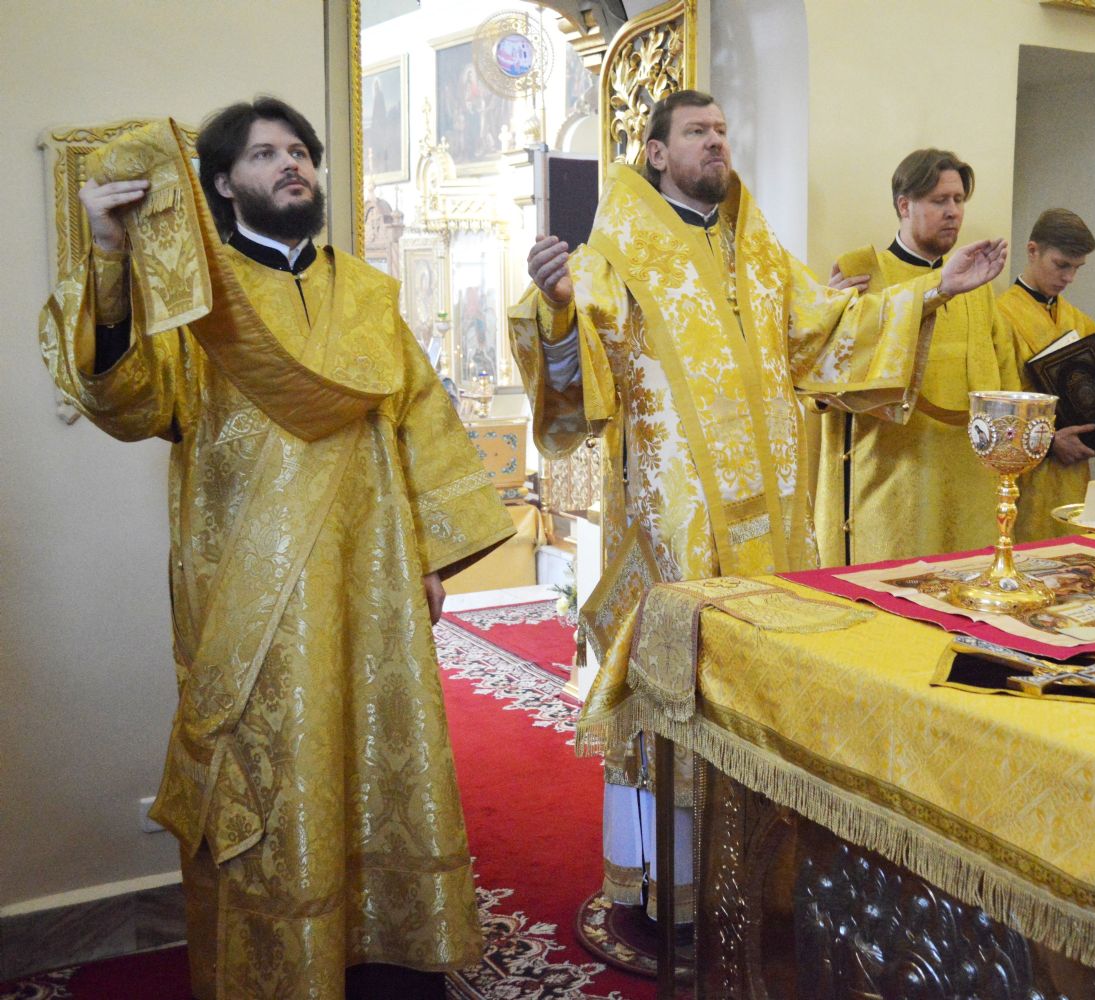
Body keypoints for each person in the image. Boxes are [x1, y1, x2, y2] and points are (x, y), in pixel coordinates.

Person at [39, 98, 512, 1000]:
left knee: (381, 765)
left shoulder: (368, 295)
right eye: (264, 154)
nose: (291, 165)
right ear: (223, 183)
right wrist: (107, 256)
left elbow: (421, 422)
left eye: (300, 151)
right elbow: (127, 402)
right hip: (248, 599)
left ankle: (389, 970)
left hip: (371, 582)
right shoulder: (195, 305)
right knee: (271, 781)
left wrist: (427, 556)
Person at [509, 90, 1006, 927]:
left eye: (721, 131)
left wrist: (932, 293)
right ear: (657, 152)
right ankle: (669, 895)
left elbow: (826, 330)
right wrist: (555, 305)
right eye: (696, 132)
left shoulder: (759, 249)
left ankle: (763, 890)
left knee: (765, 697)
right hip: (679, 525)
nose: (716, 143)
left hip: (771, 527)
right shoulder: (617, 248)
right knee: (675, 696)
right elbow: (577, 372)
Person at [814, 148, 1023, 566]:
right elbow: (824, 375)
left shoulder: (979, 286)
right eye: (939, 200)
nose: (953, 212)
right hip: (890, 483)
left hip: (969, 482)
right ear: (904, 205)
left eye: (959, 200)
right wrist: (829, 316)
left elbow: (1004, 375)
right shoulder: (863, 271)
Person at [996, 208, 1095, 542]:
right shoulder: (999, 317)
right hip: (1021, 479)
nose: (1069, 278)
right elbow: (994, 409)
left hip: (1073, 477)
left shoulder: (1081, 323)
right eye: (1061, 265)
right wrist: (1049, 443)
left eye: (1077, 268)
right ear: (1033, 250)